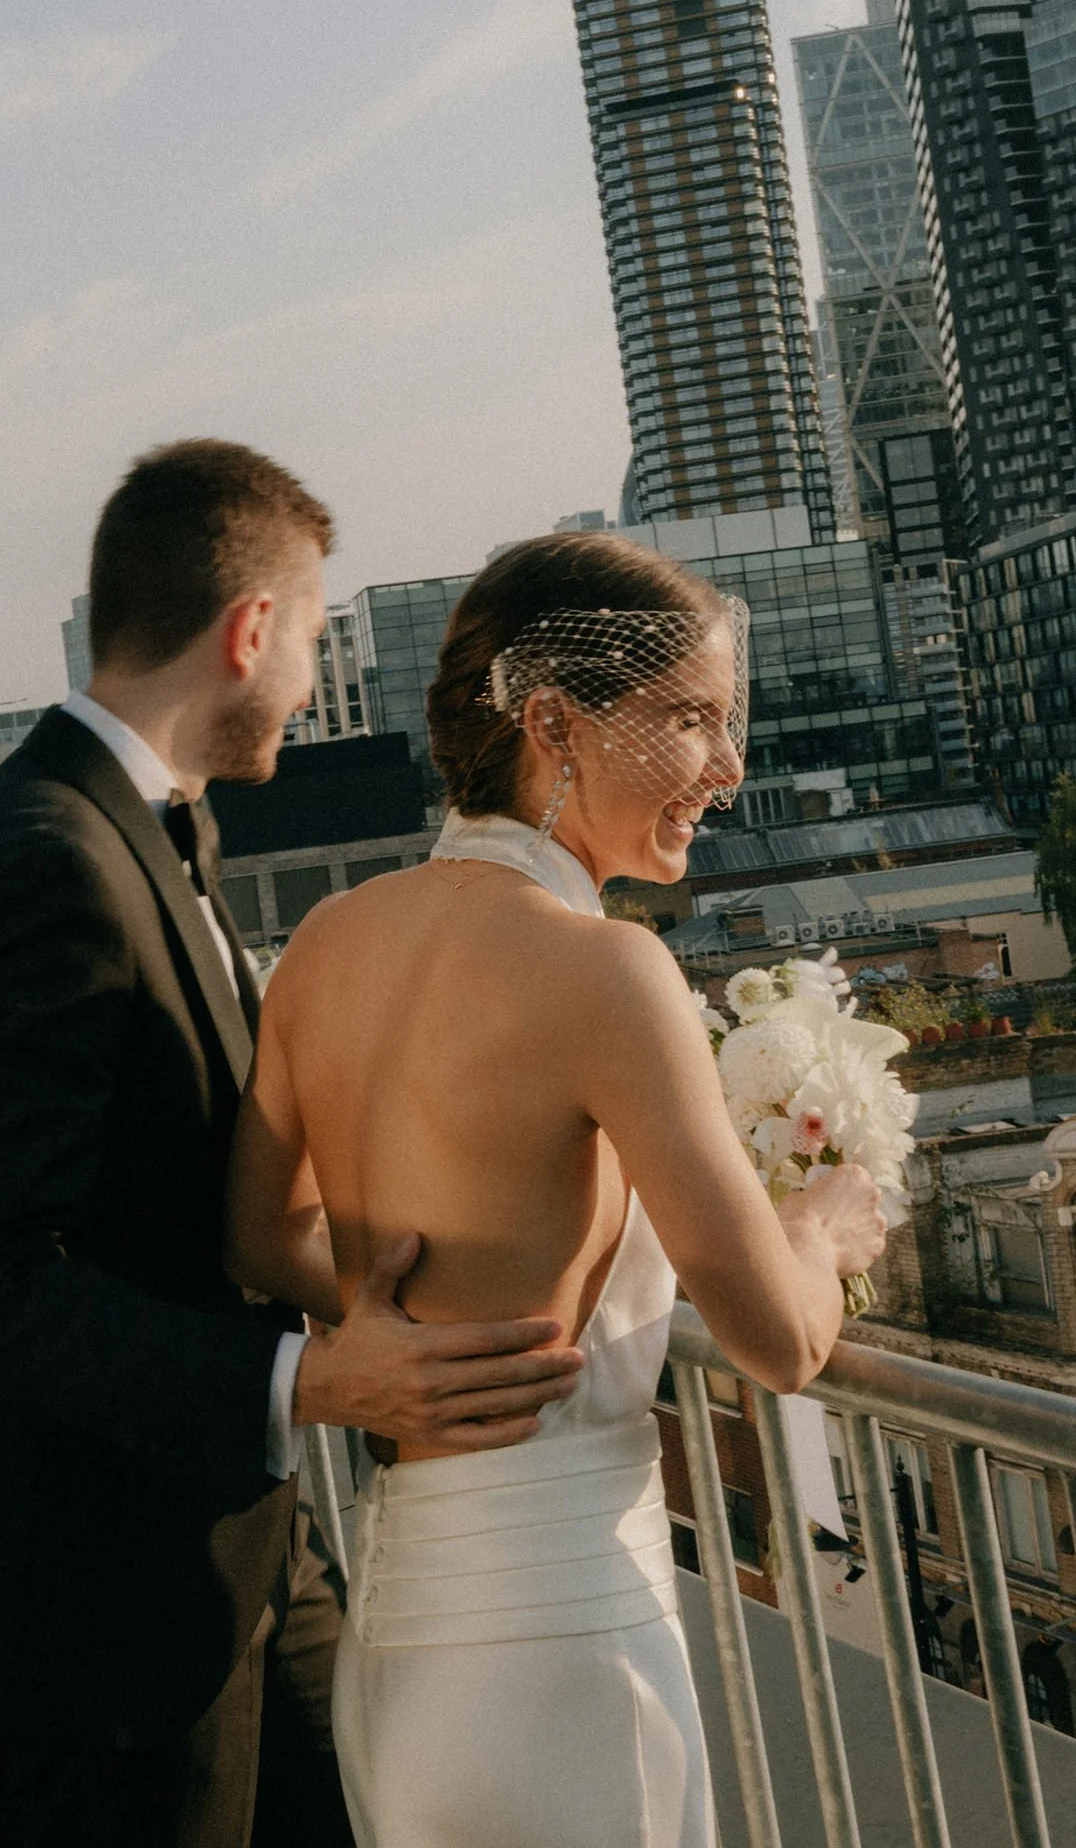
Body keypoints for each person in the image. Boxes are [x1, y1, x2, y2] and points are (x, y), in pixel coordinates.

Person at [0, 440, 585, 1848]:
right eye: (313, 638)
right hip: (105, 1606)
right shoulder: (48, 861)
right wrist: (308, 1379)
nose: (314, 682)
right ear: (251, 630)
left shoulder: (142, 828)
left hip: (233, 1540)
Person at [225, 531, 886, 1848]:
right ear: (552, 722)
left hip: (403, 1636)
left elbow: (255, 1230)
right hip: (570, 1640)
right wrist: (817, 1224)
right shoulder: (605, 973)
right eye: (689, 717)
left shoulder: (326, 941)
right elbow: (780, 1338)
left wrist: (401, 1304)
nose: (728, 763)